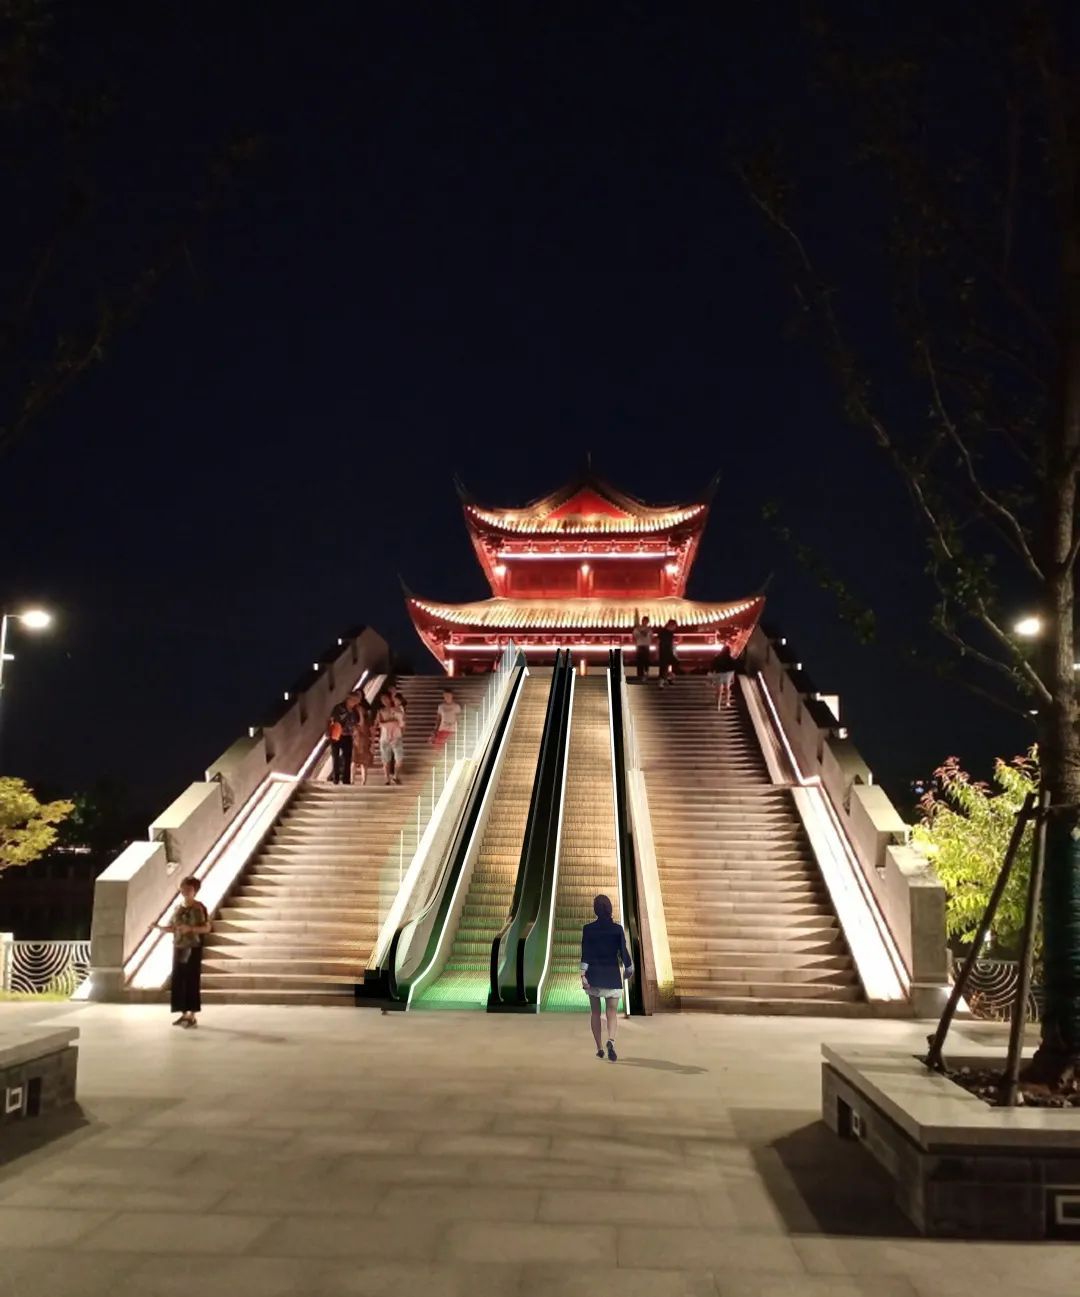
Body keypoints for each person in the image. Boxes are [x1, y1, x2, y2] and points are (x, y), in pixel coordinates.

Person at [580, 894, 633, 1062]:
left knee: (595, 1013)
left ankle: (599, 1048)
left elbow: (586, 953)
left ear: (595, 910)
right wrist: (629, 969)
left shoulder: (588, 929)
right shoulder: (617, 929)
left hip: (594, 975)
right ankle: (611, 1040)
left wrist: (583, 974)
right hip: (612, 976)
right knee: (612, 1012)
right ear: (610, 909)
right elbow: (623, 951)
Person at [156, 876, 211, 1029]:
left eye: (189, 889)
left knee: (191, 980)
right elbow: (173, 927)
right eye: (183, 888)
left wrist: (191, 929)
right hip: (179, 946)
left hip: (192, 947)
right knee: (179, 980)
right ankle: (183, 1013)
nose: (185, 891)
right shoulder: (177, 908)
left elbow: (207, 928)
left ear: (195, 891)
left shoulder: (199, 908)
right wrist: (161, 928)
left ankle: (192, 1015)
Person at [327, 691, 364, 785]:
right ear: (349, 699)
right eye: (354, 700)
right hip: (336, 735)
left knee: (347, 758)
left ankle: (346, 779)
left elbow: (358, 723)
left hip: (348, 736)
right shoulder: (339, 708)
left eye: (357, 701)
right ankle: (336, 778)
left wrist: (360, 713)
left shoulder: (355, 710)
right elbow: (332, 719)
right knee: (335, 756)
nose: (356, 702)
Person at [377, 691, 406, 785]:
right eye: (382, 699)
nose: (384, 701)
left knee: (399, 759)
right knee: (386, 760)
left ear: (390, 699)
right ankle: (387, 779)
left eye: (386, 698)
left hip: (396, 737)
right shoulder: (381, 711)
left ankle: (395, 776)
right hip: (385, 737)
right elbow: (378, 723)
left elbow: (402, 723)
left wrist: (401, 732)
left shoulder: (398, 709)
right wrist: (391, 722)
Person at [351, 699, 374, 785]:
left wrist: (372, 744)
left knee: (364, 763)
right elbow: (359, 726)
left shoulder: (368, 721)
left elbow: (366, 728)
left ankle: (363, 781)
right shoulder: (353, 720)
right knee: (353, 762)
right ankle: (352, 780)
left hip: (365, 743)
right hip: (355, 743)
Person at [708, 645, 736, 709]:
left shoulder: (717, 658)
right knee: (727, 689)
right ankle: (727, 702)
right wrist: (733, 678)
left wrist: (711, 678)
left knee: (719, 691)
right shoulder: (730, 659)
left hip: (719, 675)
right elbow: (733, 669)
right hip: (727, 675)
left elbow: (712, 667)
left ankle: (718, 704)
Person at [632, 611, 652, 682]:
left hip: (646, 646)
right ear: (642, 621)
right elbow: (635, 636)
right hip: (640, 646)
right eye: (644, 621)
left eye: (646, 621)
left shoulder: (649, 629)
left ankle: (646, 673)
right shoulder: (637, 629)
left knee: (646, 660)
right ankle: (640, 675)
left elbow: (650, 636)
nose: (645, 622)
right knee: (640, 661)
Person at [657, 618, 678, 687]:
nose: (675, 628)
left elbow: (672, 643)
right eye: (674, 626)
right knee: (663, 667)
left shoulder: (671, 633)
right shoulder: (662, 632)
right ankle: (661, 682)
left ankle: (669, 677)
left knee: (675, 663)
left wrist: (673, 650)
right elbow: (657, 642)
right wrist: (657, 652)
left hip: (669, 651)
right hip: (663, 652)